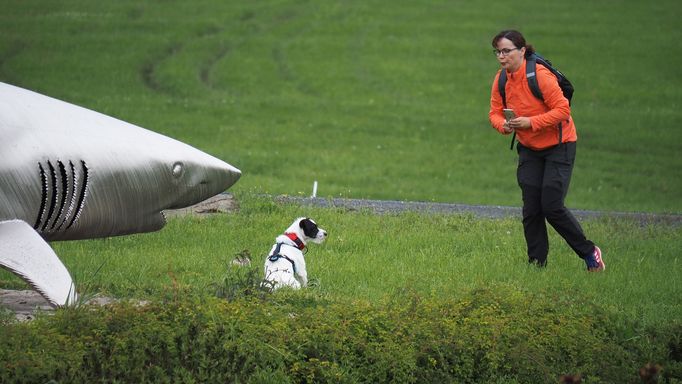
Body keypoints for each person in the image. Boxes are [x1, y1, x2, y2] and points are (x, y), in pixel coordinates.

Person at [488, 30, 605, 271]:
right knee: (531, 209)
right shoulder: (501, 79)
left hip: (559, 146)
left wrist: (530, 122)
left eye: (506, 51)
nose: (501, 56)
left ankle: (589, 252)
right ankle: (536, 265)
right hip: (529, 148)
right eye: (498, 51)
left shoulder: (539, 75)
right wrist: (505, 126)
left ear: (522, 51)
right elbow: (495, 113)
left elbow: (563, 110)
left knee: (551, 206)